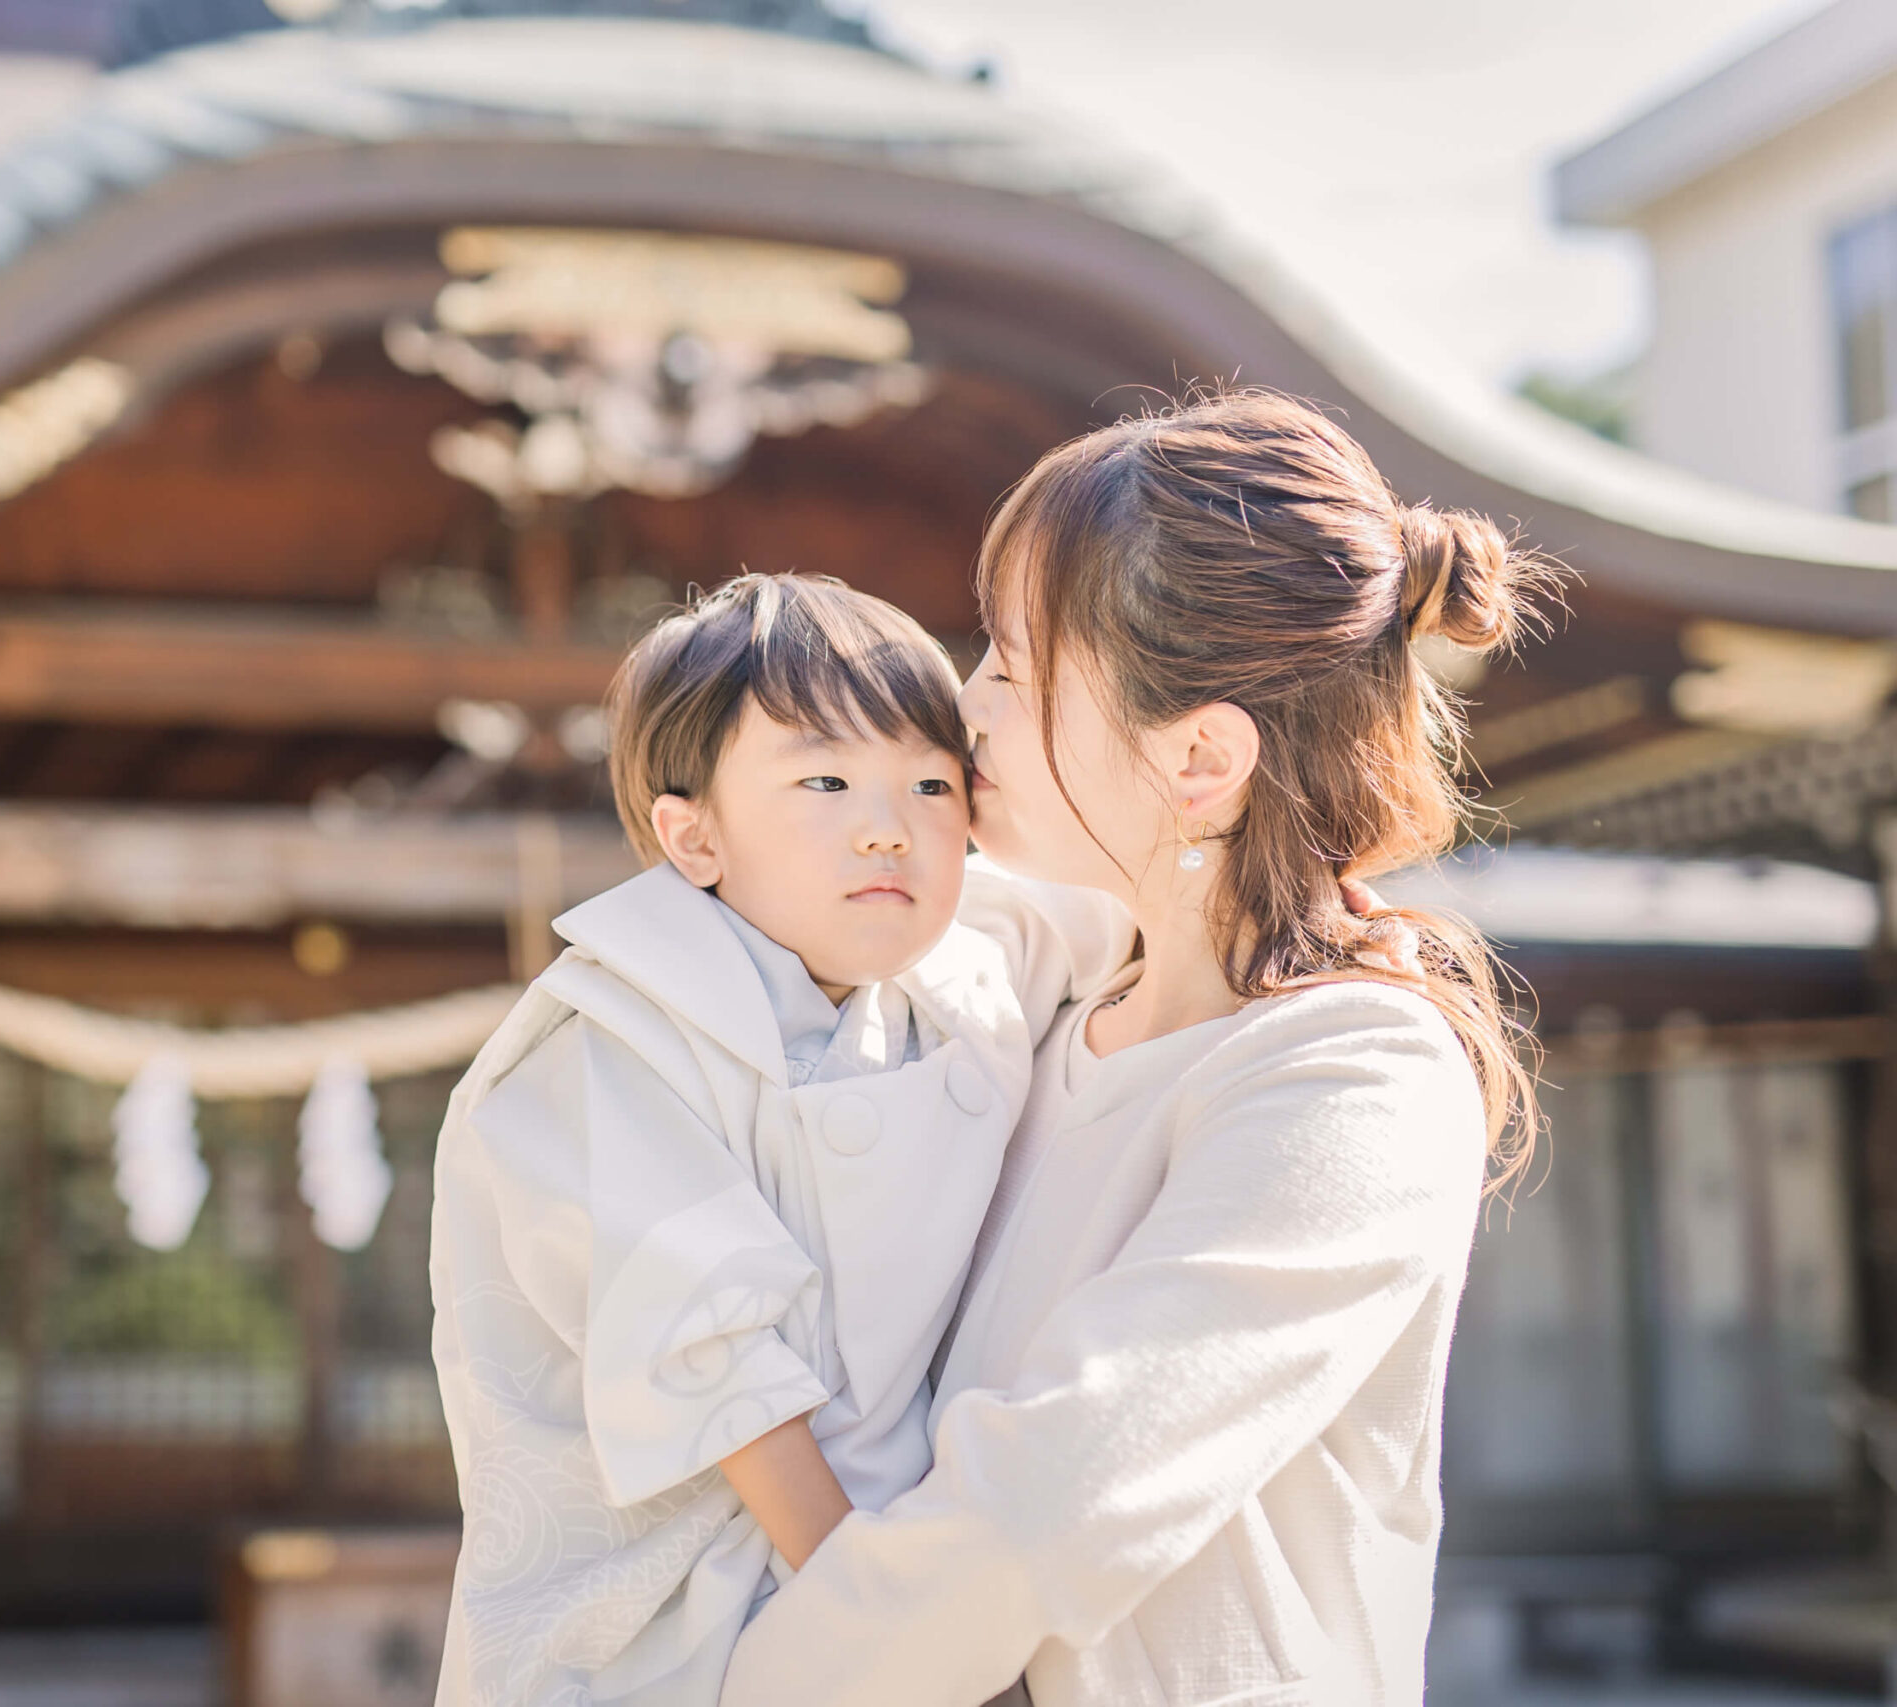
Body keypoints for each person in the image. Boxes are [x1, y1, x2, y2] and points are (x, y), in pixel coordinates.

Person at [719, 391, 1551, 1707]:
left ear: (1202, 758)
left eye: (1012, 663)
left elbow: (1038, 1507)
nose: (963, 703)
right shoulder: (1041, 1005)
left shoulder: (1350, 1076)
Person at [426, 574, 1131, 1707]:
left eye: (931, 781)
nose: (885, 824)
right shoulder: (617, 1037)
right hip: (687, 1603)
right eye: (824, 778)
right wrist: (897, 1630)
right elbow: (716, 1370)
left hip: (885, 1562)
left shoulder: (968, 965)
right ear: (691, 835)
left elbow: (1163, 906)